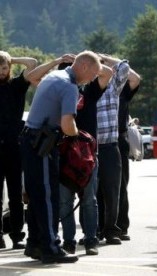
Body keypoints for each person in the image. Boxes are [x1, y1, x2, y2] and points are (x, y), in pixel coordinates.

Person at [21, 50, 101, 263]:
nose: (92, 79)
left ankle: (35, 243)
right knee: (48, 197)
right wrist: (80, 136)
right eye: (93, 74)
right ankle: (51, 248)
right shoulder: (69, 86)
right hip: (43, 144)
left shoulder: (54, 77)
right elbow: (68, 125)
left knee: (37, 195)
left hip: (31, 141)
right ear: (84, 66)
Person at [0, 50, 37, 249]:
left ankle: (17, 236)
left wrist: (9, 57)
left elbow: (32, 63)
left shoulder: (16, 85)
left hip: (14, 146)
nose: (1, 71)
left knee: (16, 195)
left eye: (4, 67)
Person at [96, 54, 130, 245]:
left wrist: (103, 58)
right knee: (91, 193)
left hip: (110, 146)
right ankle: (93, 231)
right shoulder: (84, 87)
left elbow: (124, 67)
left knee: (112, 191)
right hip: (90, 147)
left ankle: (111, 230)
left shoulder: (113, 88)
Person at [116, 67, 141, 242]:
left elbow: (135, 78)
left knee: (121, 186)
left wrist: (111, 61)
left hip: (119, 140)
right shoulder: (91, 87)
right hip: (95, 140)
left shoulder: (123, 90)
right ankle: (98, 228)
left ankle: (121, 227)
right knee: (95, 189)